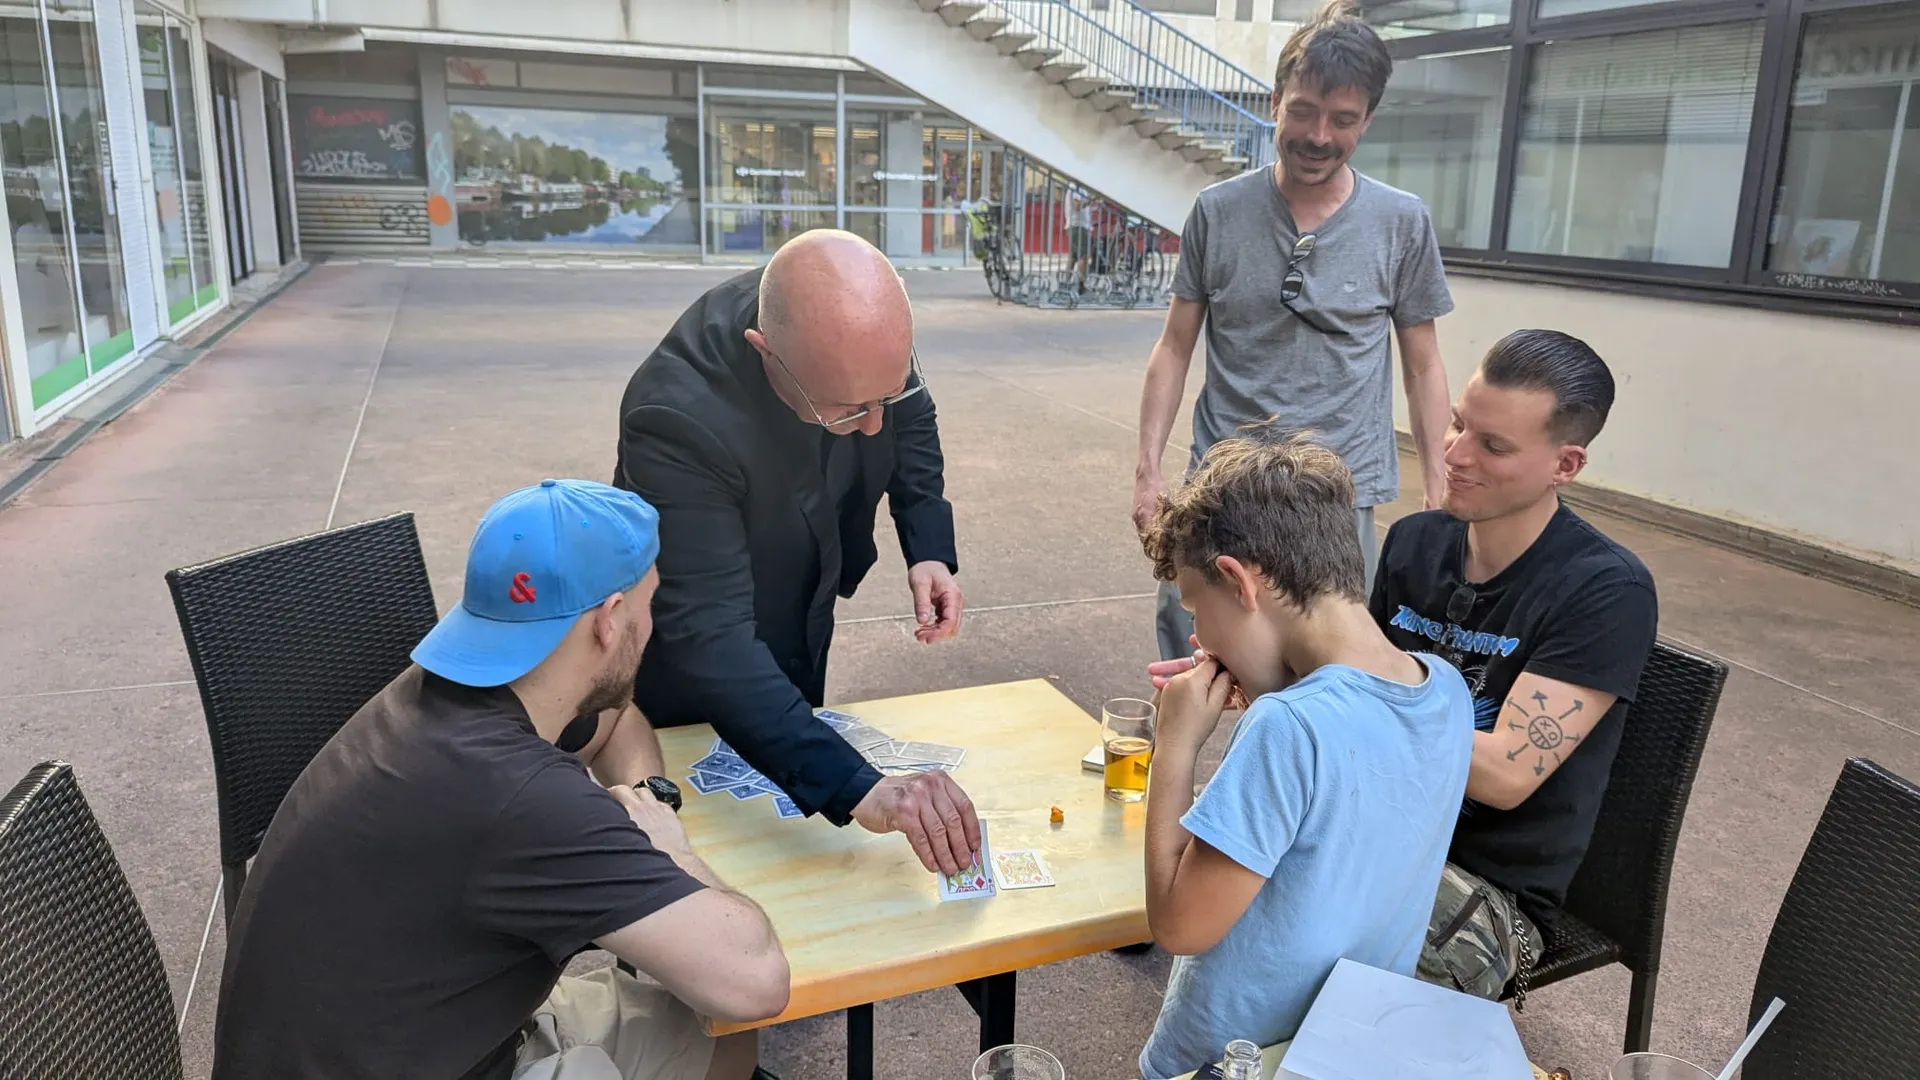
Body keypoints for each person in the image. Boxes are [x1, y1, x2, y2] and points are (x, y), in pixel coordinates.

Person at [211, 479, 790, 1080]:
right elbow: (756, 981)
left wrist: (645, 801)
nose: (652, 622)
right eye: (650, 603)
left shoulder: (460, 694)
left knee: (716, 1040)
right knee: (723, 1003)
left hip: (389, 1038)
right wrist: (668, 850)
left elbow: (615, 718)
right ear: (610, 620)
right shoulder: (520, 795)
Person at [612, 229, 982, 878]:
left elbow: (911, 417)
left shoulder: (859, 318)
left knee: (793, 797)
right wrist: (861, 788)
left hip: (802, 576)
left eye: (884, 396)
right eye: (849, 410)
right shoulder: (674, 417)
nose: (874, 426)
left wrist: (927, 546)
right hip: (692, 653)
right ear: (767, 351)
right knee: (708, 845)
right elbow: (713, 639)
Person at [1135, 431, 1473, 1079]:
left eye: (1195, 608)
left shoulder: (1285, 728)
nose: (1198, 637)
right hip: (1354, 1049)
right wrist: (1279, 684)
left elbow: (1179, 925)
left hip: (1230, 1061)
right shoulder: (1445, 691)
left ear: (1239, 582)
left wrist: (1173, 747)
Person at [1133, 0, 1455, 663]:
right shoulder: (1218, 211)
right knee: (1190, 639)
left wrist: (1439, 488)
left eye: (1342, 119)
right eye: (1303, 111)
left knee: (1331, 660)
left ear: (1367, 120)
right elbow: (1174, 347)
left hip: (1340, 488)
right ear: (1276, 101)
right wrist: (1148, 471)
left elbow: (1423, 364)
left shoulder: (1401, 222)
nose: (1318, 135)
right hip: (1223, 476)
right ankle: (1185, 736)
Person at [1370, 329, 1659, 1003]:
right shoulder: (1414, 542)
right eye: (1457, 424)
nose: (1454, 454)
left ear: (1566, 464)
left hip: (1489, 895)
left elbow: (1503, 774)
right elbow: (1356, 676)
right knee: (1226, 864)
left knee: (1293, 945)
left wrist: (1336, 693)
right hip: (1377, 830)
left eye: (1493, 446)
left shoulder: (1606, 590)